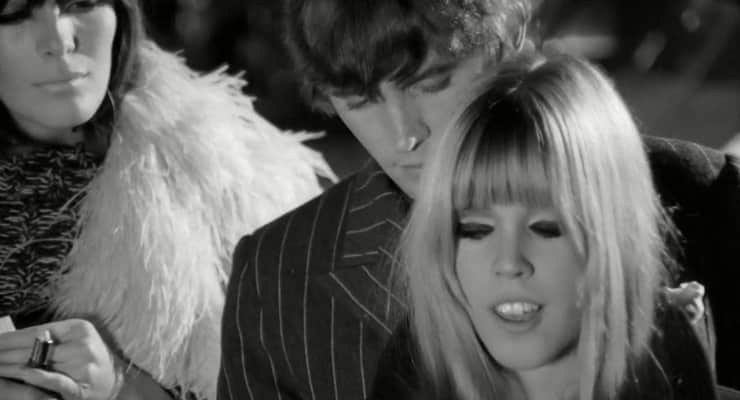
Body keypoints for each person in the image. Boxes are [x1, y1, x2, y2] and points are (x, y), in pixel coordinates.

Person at [218, 0, 740, 398]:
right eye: (360, 100)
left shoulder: (709, 196)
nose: (405, 136)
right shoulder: (277, 278)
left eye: (431, 83)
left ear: (505, 42)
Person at [0, 0, 332, 399]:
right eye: (14, 13)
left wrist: (125, 388)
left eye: (82, 2)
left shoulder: (237, 180)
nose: (59, 40)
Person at [371, 52, 734, 400]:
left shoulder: (679, 365)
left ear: (613, 238)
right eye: (475, 230)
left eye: (546, 228)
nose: (509, 262)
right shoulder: (408, 372)